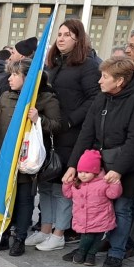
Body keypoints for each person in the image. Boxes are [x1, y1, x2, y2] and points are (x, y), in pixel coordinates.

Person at [64, 56, 134, 267]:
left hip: (128, 165)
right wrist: (74, 165)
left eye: (104, 77)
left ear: (120, 81)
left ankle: (117, 251)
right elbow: (87, 131)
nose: (100, 81)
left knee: (122, 208)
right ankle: (88, 246)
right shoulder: (103, 96)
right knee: (96, 207)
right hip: (99, 162)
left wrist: (119, 170)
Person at [0, 59, 62, 257]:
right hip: (6, 157)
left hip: (27, 160)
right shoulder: (5, 97)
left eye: (15, 75)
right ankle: (2, 234)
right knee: (4, 196)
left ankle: (19, 236)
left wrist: (39, 120)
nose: (9, 79)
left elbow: (56, 126)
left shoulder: (45, 99)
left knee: (25, 199)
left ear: (28, 79)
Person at [42, 19, 101, 249]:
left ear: (78, 39)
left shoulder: (87, 65)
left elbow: (94, 99)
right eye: (60, 34)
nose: (61, 38)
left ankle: (59, 232)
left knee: (62, 185)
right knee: (46, 182)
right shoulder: (54, 63)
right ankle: (45, 227)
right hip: (50, 130)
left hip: (71, 133)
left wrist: (70, 121)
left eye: (67, 34)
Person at [62, 150, 123, 265]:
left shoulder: (103, 182)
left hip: (101, 218)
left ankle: (90, 255)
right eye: (80, 171)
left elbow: (113, 194)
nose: (82, 175)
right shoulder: (76, 183)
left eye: (87, 172)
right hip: (84, 219)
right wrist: (66, 184)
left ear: (95, 172)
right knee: (87, 237)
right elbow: (68, 194)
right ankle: (82, 252)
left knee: (97, 238)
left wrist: (115, 184)